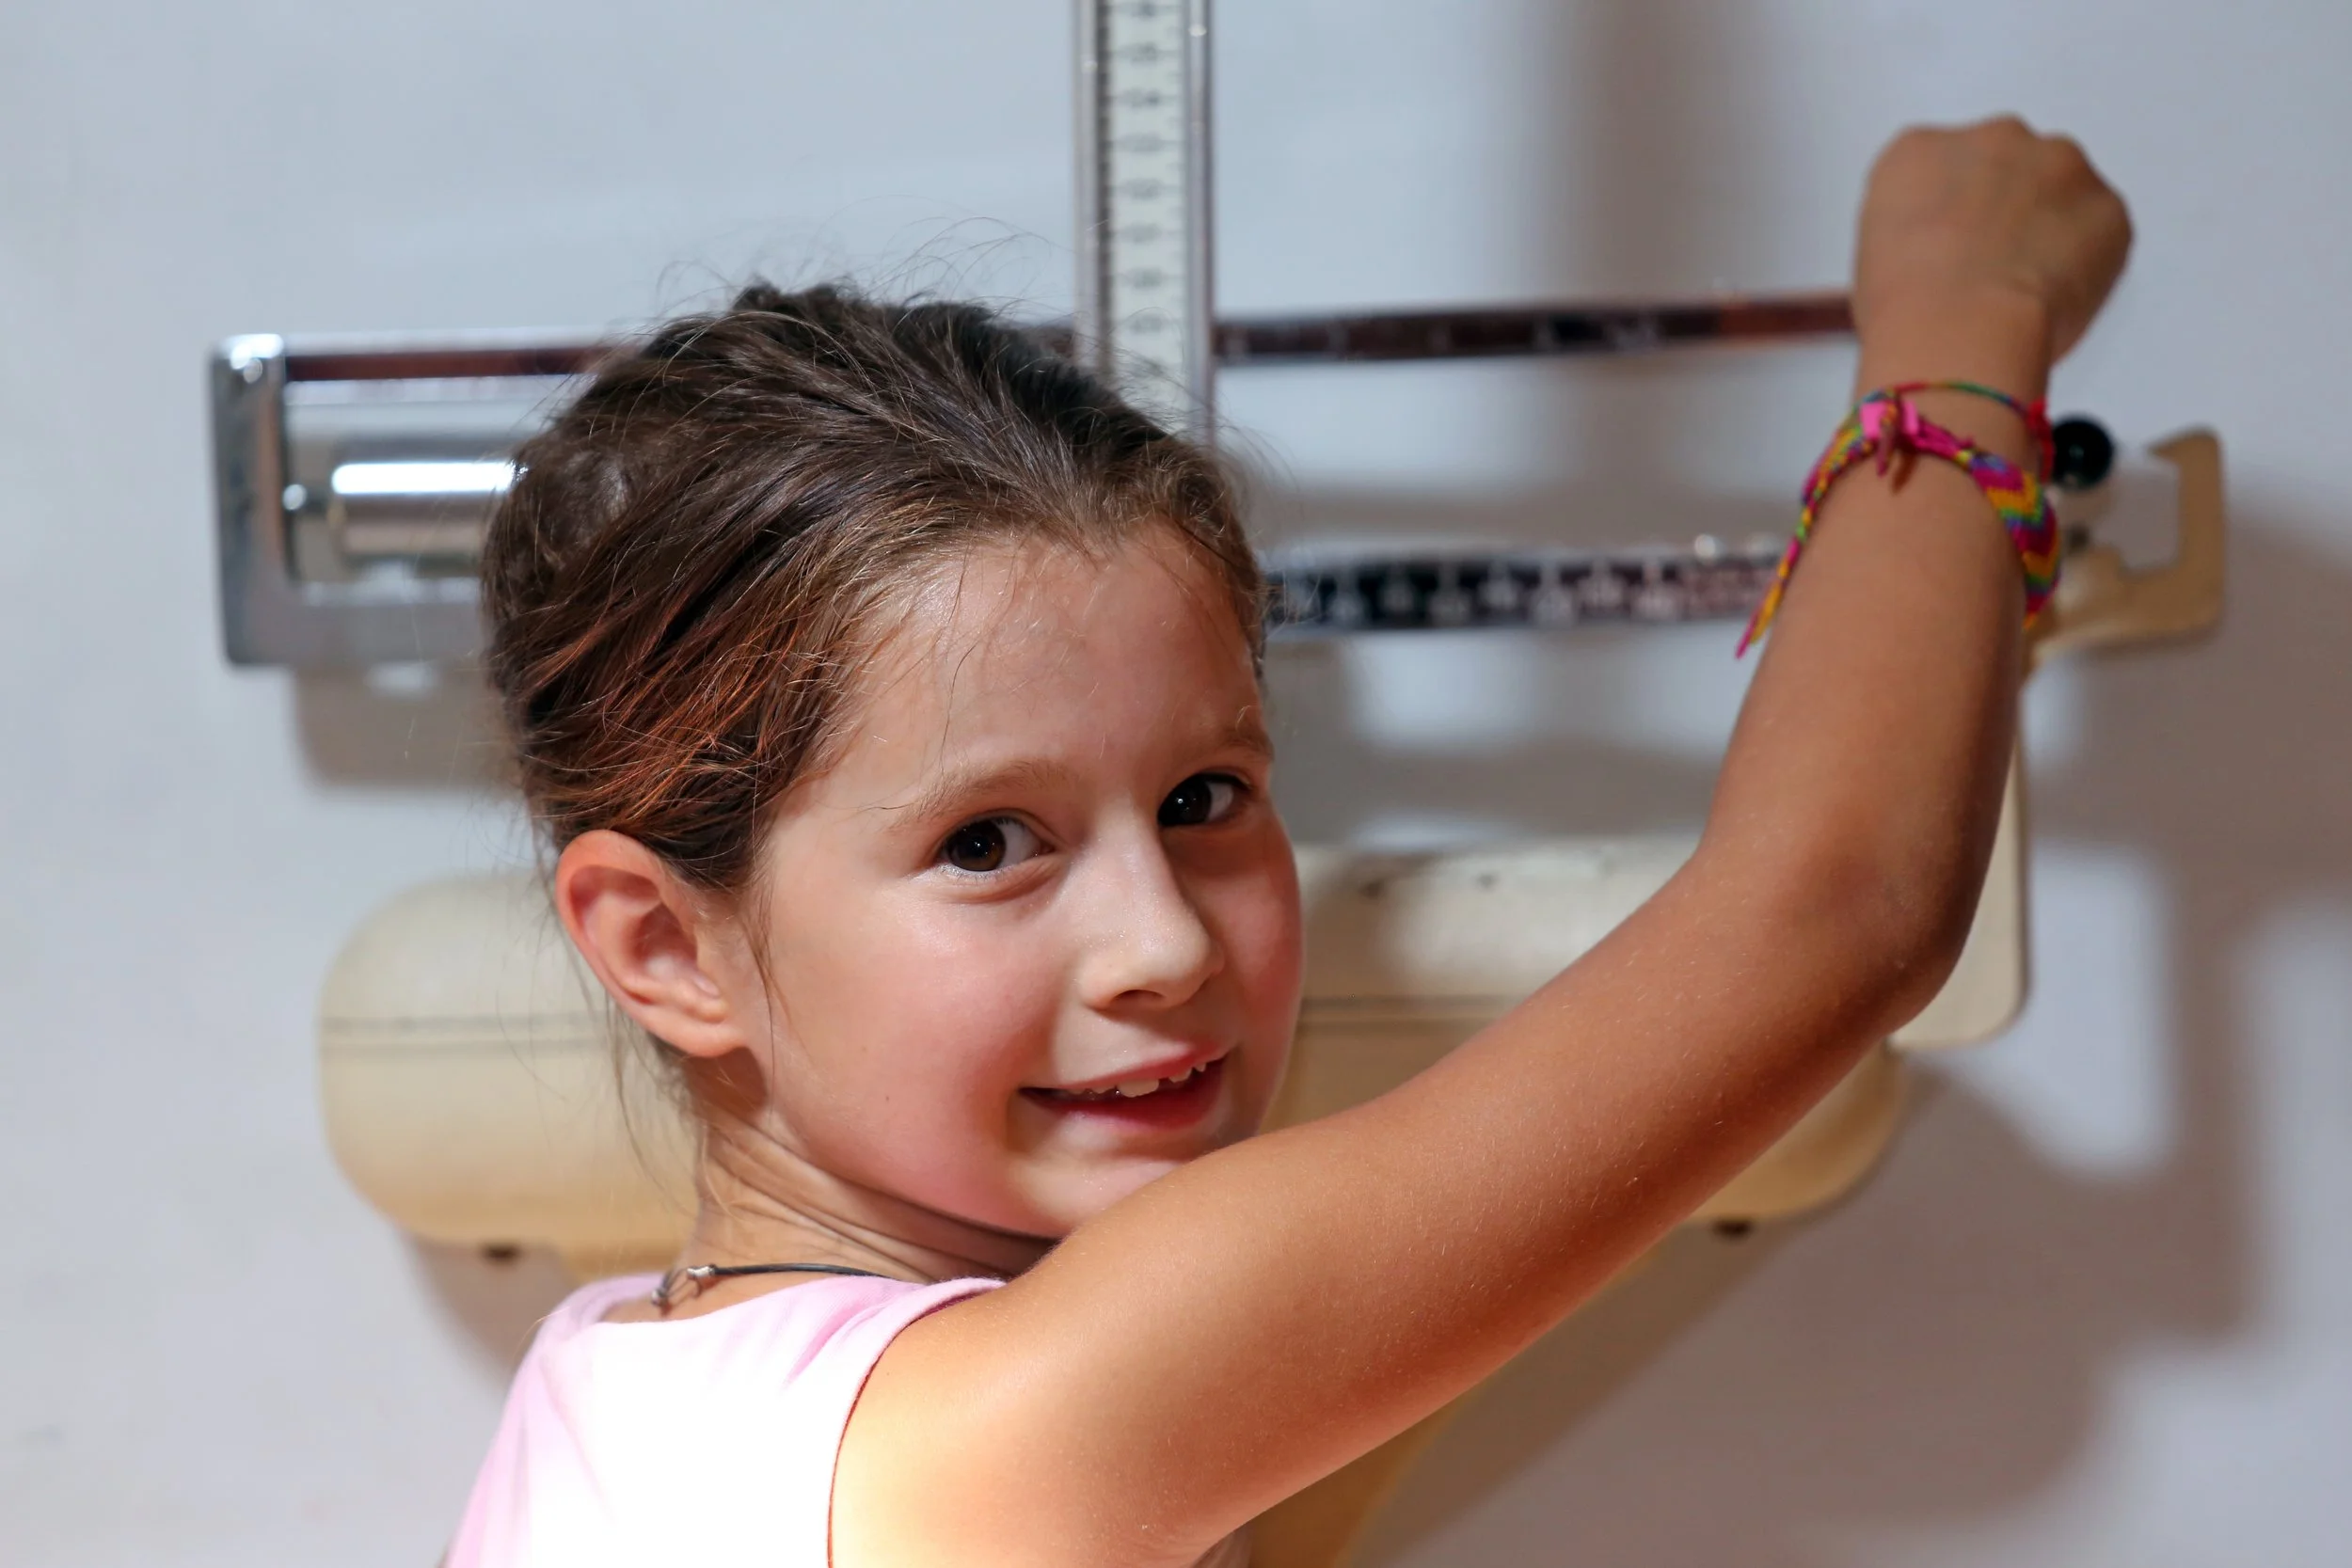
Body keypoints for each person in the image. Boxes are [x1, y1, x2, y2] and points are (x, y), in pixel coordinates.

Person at [446, 117, 2131, 1567]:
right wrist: (1963, 326)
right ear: (664, 944)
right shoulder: (1017, 1431)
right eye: (990, 842)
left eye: (1202, 799)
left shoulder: (611, 1394)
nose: (1166, 941)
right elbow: (1836, 912)